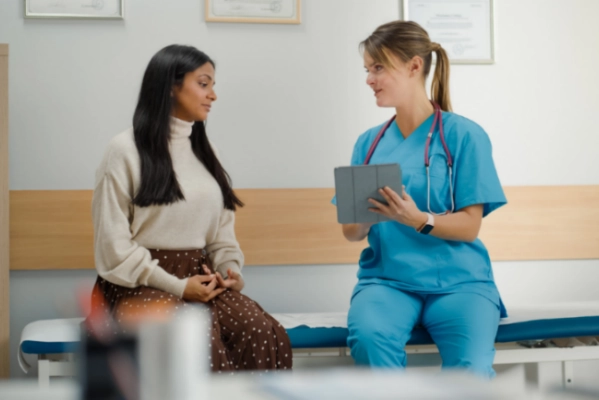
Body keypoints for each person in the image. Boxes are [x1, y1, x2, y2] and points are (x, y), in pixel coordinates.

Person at [89, 44, 292, 373]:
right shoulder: (123, 151)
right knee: (193, 337)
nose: (213, 95)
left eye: (213, 84)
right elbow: (113, 249)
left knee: (260, 330)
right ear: (171, 86)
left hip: (200, 278)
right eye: (204, 83)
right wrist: (178, 287)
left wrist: (230, 270)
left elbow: (223, 234)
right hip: (135, 283)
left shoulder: (208, 152)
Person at [339, 21, 507, 378]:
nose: (369, 78)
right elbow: (351, 232)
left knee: (471, 370)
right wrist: (370, 214)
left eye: (378, 67)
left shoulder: (464, 136)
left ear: (414, 66)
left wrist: (418, 219)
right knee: (369, 340)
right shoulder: (367, 144)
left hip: (460, 283)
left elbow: (469, 227)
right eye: (367, 70)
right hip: (387, 282)